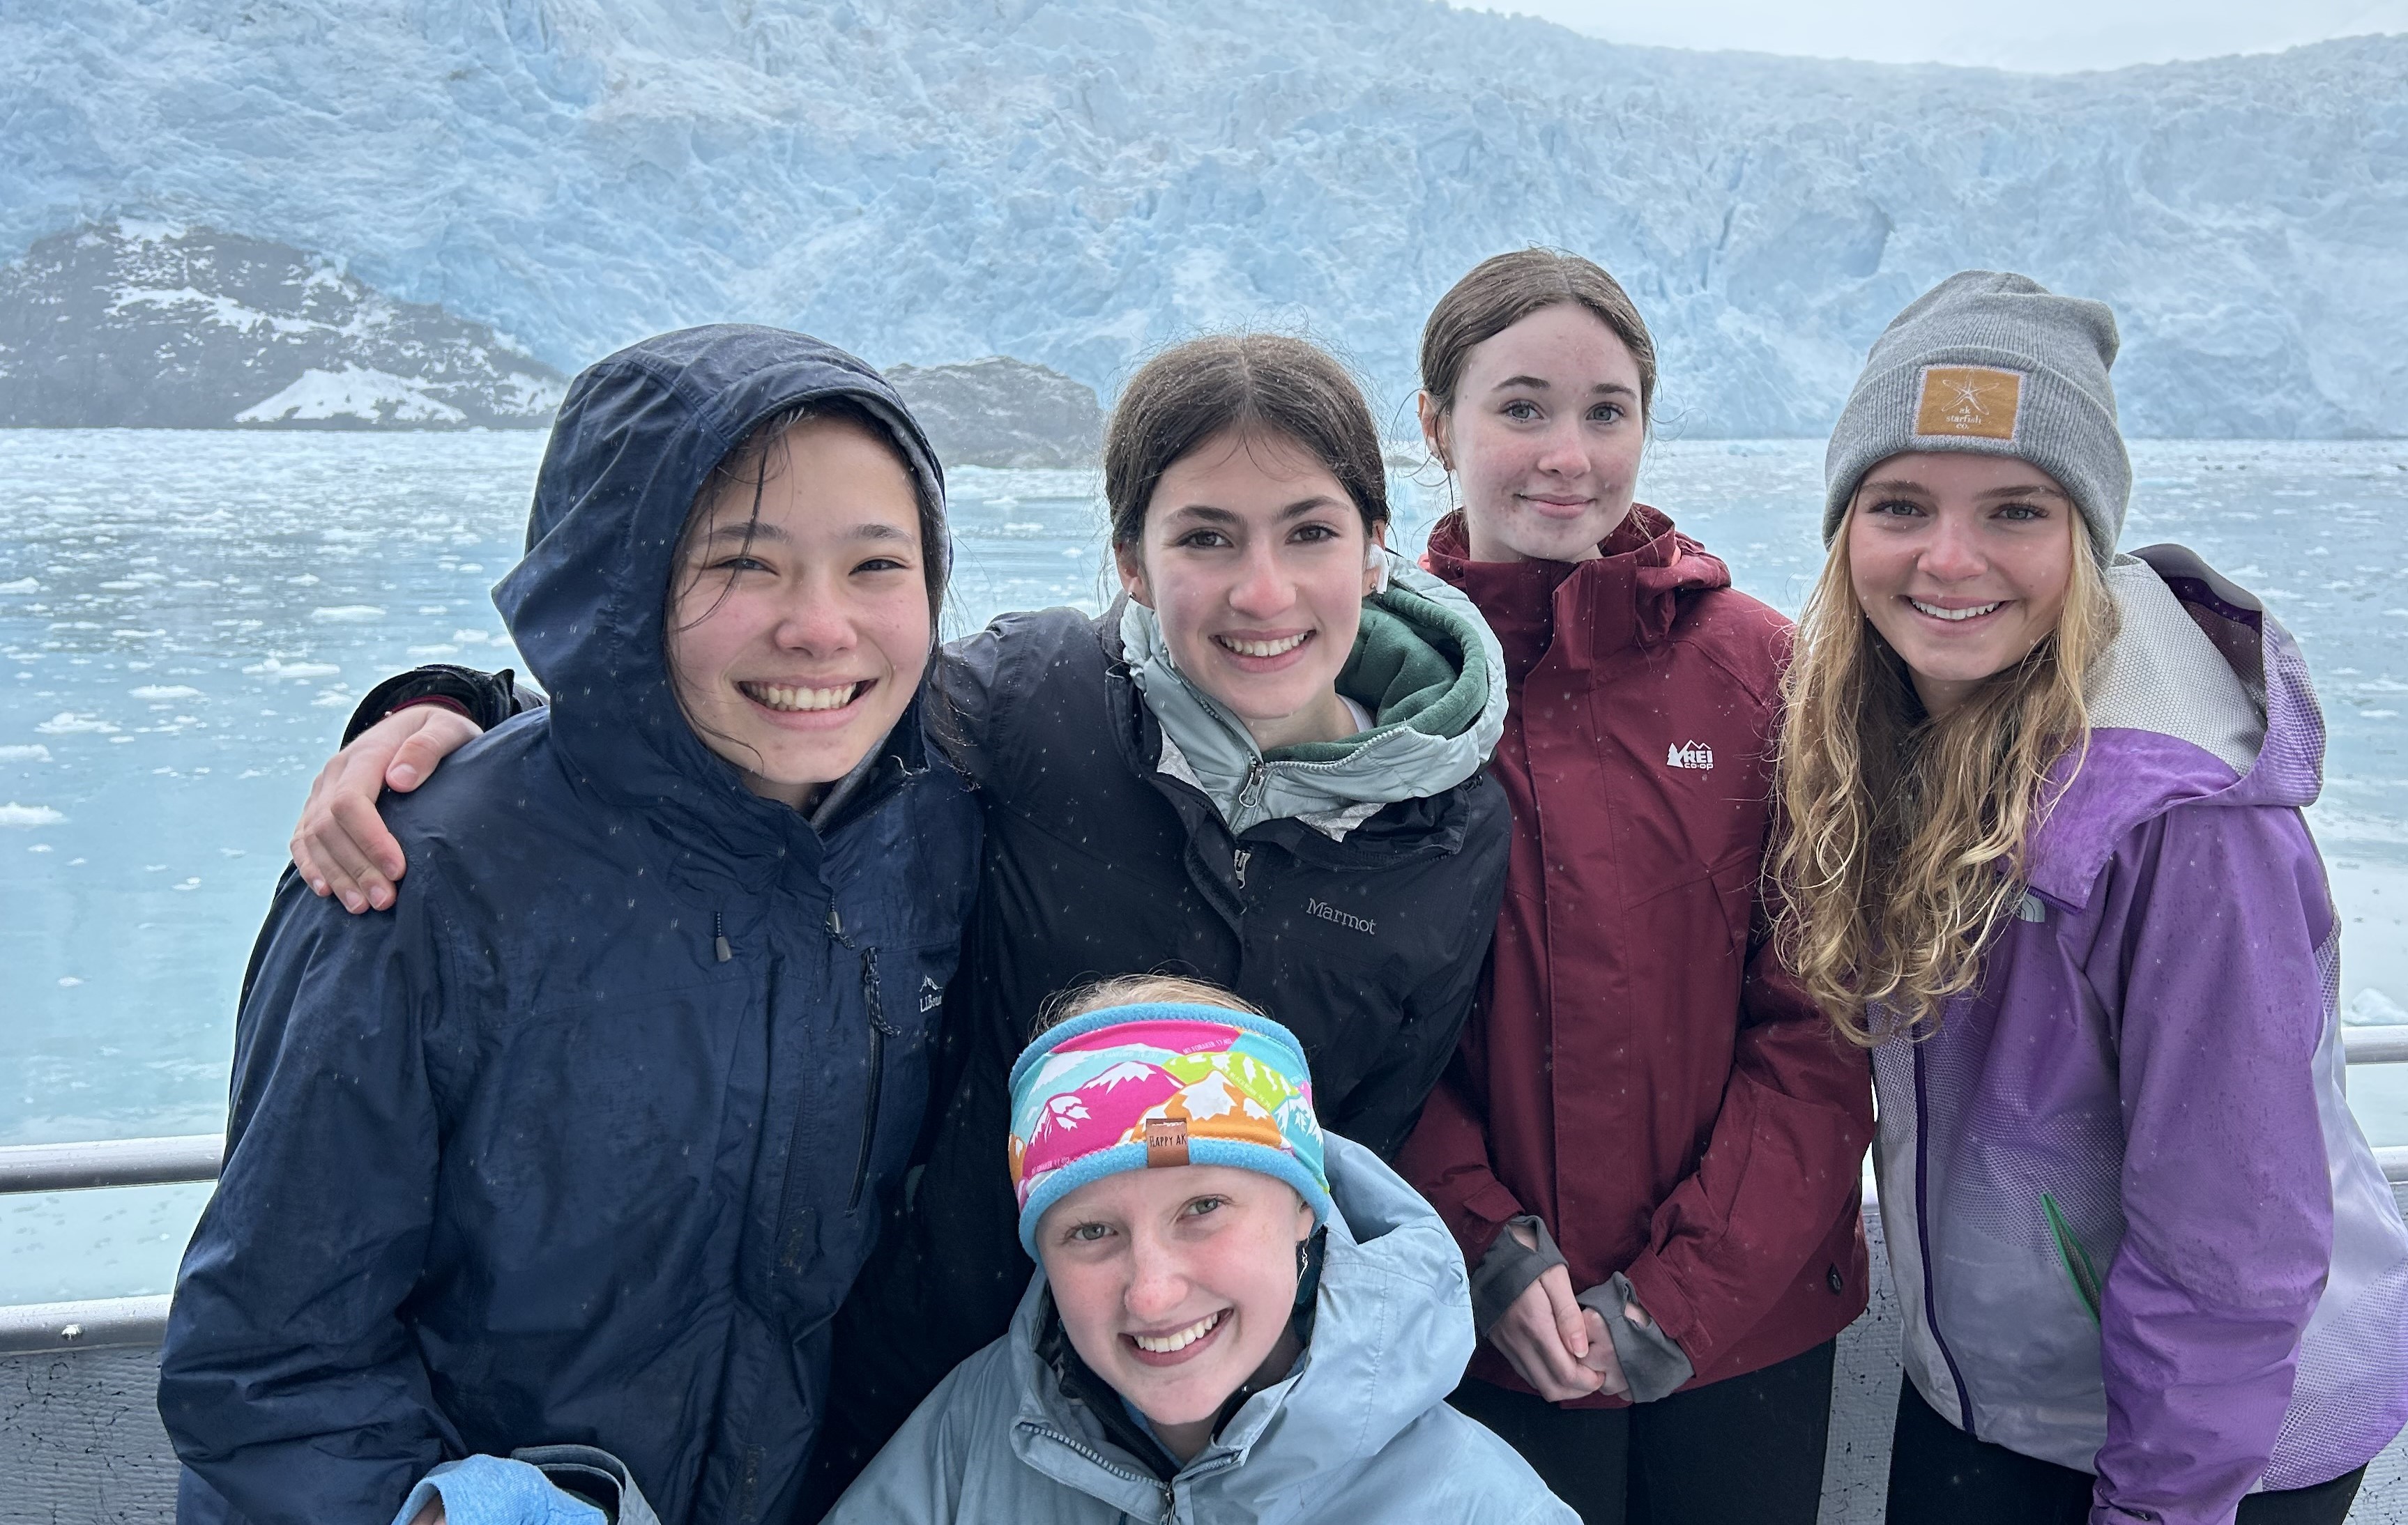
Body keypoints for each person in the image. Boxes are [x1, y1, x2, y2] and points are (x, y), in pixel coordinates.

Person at [280, 332, 1514, 1505]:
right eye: (1204, 536)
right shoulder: (1039, 710)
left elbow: (1359, 1144)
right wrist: (460, 710)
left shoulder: (1449, 831)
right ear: (1131, 562)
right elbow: (780, 714)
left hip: (1215, 1398)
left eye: (1310, 532)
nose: (1264, 590)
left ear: (1377, 545)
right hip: (924, 1387)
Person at [157, 325, 982, 1525]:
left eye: (876, 566)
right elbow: (270, 1355)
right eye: (744, 565)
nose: (820, 627)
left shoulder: (928, 835)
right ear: (618, 578)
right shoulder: (423, 877)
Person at [1765, 271, 2408, 1525]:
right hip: (2002, 1388)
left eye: (2015, 509)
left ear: (2088, 533)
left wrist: (2166, 1505)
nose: (1948, 559)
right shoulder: (1892, 731)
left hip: (2211, 1434)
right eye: (1900, 503)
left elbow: (2233, 1237)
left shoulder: (2185, 830)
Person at [1392, 249, 1875, 1525]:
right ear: (1438, 424)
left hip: (1745, 1329)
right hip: (1484, 1331)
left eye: (1607, 411)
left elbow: (1822, 1020)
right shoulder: (1379, 683)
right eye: (1522, 406)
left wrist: (1683, 1293)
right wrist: (1486, 1247)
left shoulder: (1763, 666)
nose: (1569, 454)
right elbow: (1364, 1013)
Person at [823, 974, 1576, 1525]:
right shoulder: (967, 1438)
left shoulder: (1475, 1504)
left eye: (1203, 1209)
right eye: (1091, 1231)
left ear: (1301, 1214)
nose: (1150, 1292)